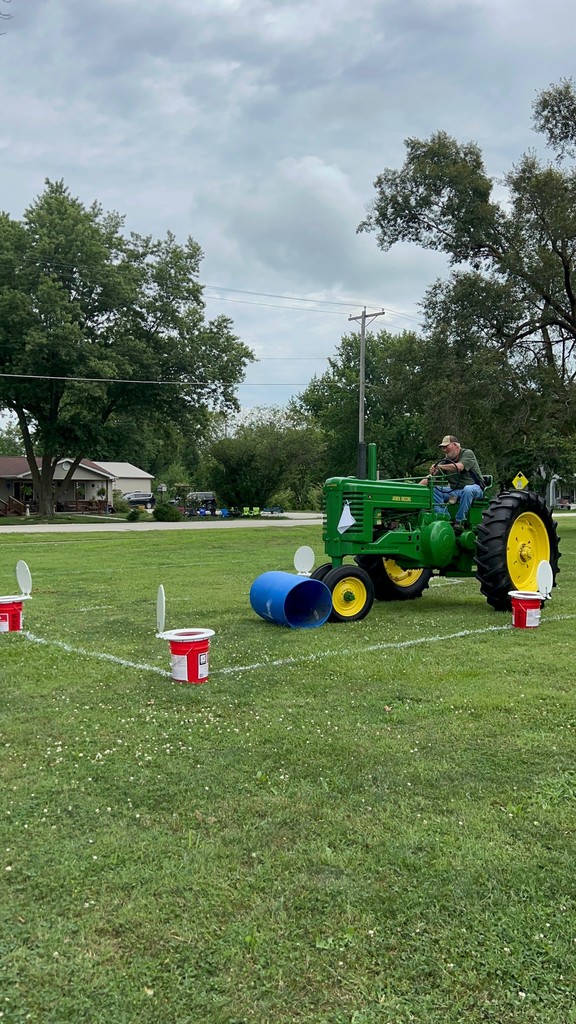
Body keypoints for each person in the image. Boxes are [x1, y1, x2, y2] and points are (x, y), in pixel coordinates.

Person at [420, 435, 485, 530]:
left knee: (468, 489)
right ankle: (444, 519)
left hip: (475, 488)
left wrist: (440, 467)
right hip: (456, 490)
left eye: (446, 447)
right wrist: (417, 487)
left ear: (456, 445)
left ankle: (459, 521)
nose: (444, 450)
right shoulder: (446, 461)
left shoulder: (467, 453)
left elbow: (459, 467)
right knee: (434, 490)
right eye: (442, 448)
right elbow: (431, 477)